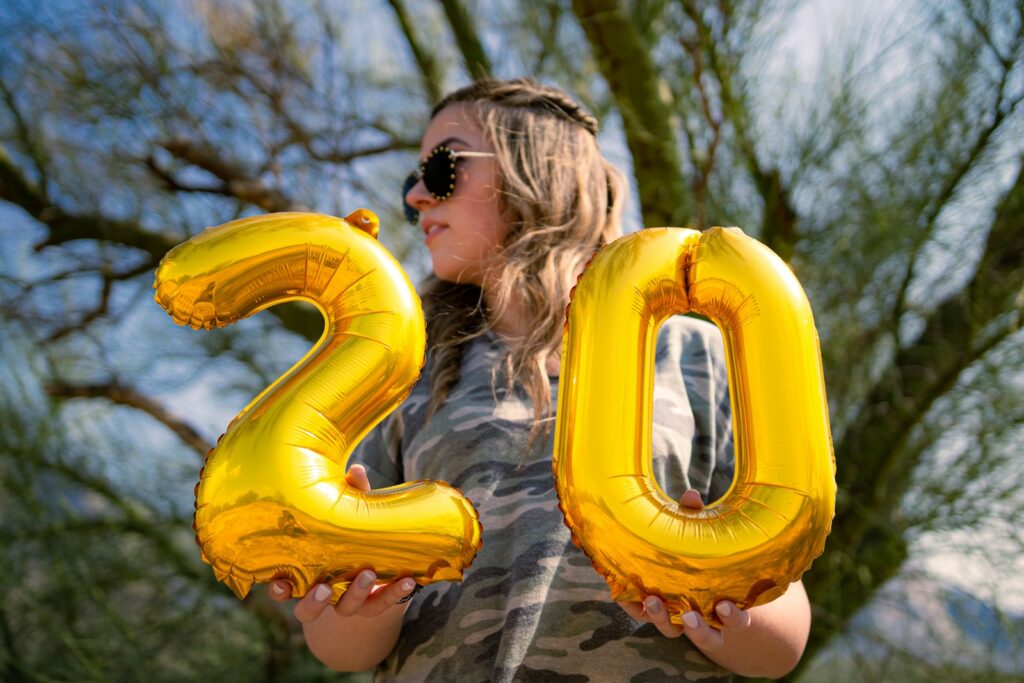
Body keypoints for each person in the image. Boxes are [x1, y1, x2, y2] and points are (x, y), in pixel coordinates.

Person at [269, 78, 811, 681]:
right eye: (409, 184)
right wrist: (355, 607)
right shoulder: (404, 368)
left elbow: (782, 642)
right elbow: (342, 650)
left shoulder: (691, 351)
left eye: (442, 167)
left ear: (537, 170)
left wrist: (724, 606)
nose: (418, 196)